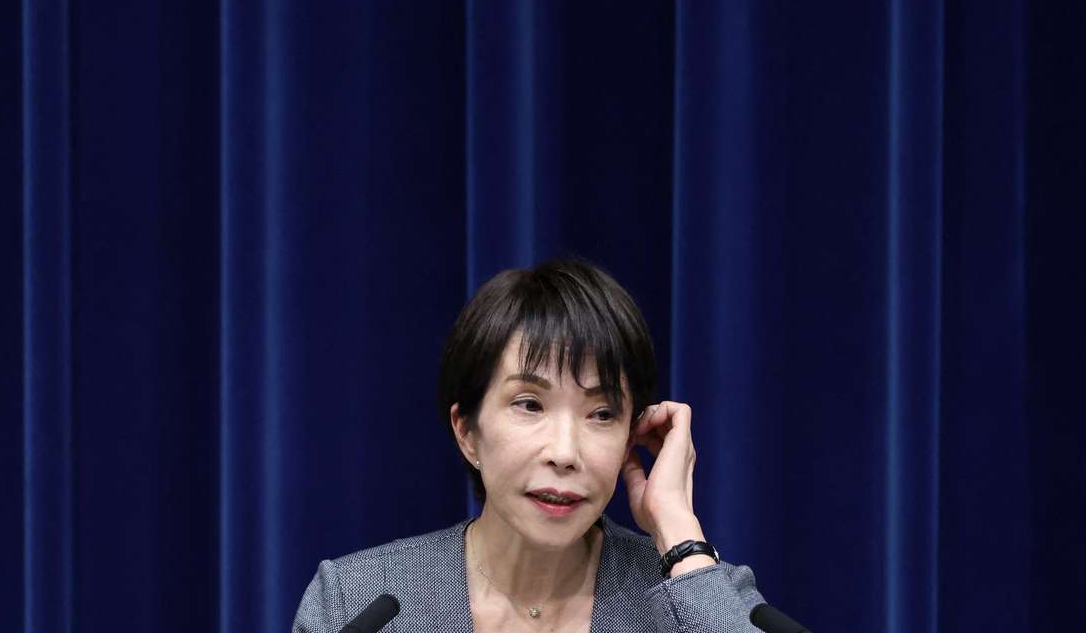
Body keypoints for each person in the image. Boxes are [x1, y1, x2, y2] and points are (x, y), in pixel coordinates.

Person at [292, 259, 765, 632]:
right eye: (529, 405)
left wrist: (678, 533)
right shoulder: (357, 604)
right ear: (467, 431)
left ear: (630, 439)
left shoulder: (698, 591)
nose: (564, 452)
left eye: (601, 414)